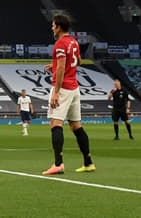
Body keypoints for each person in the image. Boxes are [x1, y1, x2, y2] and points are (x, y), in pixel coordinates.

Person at [42, 13, 95, 175]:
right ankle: (88, 162)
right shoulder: (73, 42)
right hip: (74, 88)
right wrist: (56, 64)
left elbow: (61, 69)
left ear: (58, 27)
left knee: (55, 123)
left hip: (63, 88)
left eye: (53, 25)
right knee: (76, 125)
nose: (51, 28)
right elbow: (78, 61)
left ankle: (58, 164)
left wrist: (56, 92)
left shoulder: (59, 44)